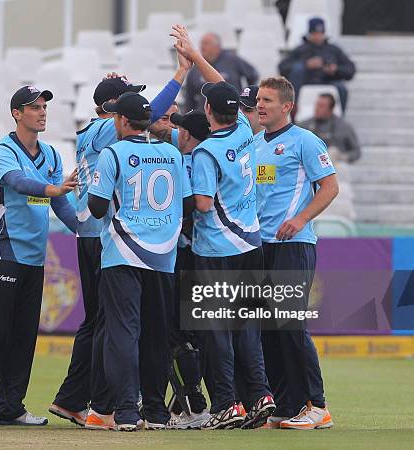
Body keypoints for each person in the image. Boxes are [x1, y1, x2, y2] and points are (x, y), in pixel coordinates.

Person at [50, 52, 192, 431]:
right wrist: (179, 74)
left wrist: (75, 223)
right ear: (114, 112)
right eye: (130, 98)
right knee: (112, 326)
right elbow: (148, 112)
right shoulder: (105, 133)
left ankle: (77, 400)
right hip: (109, 238)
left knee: (100, 323)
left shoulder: (92, 134)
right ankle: (101, 402)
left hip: (96, 234)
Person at [171, 23, 276, 431]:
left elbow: (201, 203)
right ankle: (262, 394)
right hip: (251, 243)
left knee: (216, 331)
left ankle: (228, 403)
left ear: (209, 113)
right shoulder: (248, 132)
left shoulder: (205, 153)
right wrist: (196, 57)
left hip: (216, 249)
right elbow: (225, 87)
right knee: (248, 327)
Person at [0, 85, 78, 427]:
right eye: (34, 107)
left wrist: (85, 232)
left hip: (34, 255)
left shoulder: (52, 154)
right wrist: (53, 189)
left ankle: (11, 405)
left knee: (25, 334)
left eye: (44, 107)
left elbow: (61, 205)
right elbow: (17, 182)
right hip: (3, 249)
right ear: (16, 113)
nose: (42, 112)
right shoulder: (3, 149)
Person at [87, 92, 193, 431]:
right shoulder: (171, 153)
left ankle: (127, 412)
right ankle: (157, 411)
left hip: (122, 252)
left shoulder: (112, 153)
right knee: (157, 335)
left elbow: (97, 208)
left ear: (120, 120)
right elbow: (188, 203)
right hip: (163, 254)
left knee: (123, 333)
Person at [255, 76, 338, 430]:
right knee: (267, 329)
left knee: (290, 325)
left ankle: (316, 405)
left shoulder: (305, 141)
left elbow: (331, 187)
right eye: (259, 99)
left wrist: (300, 218)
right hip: (261, 246)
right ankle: (286, 404)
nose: (260, 105)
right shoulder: (257, 143)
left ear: (287, 106)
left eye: (268, 100)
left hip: (294, 245)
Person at [164, 109, 211, 430]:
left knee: (177, 335)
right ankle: (185, 404)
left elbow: (186, 206)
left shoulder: (182, 163)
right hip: (209, 255)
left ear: (186, 134)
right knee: (201, 334)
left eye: (179, 127)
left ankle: (192, 403)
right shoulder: (213, 157)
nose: (175, 132)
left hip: (182, 255)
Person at [279, 17, 355, 112]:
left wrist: (335, 69)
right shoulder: (300, 49)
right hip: (305, 82)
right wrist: (306, 65)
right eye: (315, 33)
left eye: (320, 33)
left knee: (342, 89)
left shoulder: (333, 50)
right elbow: (282, 67)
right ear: (309, 34)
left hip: (328, 81)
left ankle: (338, 120)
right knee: (298, 69)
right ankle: (293, 111)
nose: (318, 36)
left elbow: (350, 69)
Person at [184, 32, 258, 111]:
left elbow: (252, 75)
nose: (202, 47)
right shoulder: (195, 69)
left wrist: (246, 99)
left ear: (217, 46)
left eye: (206, 44)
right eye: (201, 44)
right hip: (205, 116)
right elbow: (189, 97)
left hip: (232, 113)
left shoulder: (232, 60)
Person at [299, 93, 361, 163]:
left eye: (321, 106)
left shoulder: (344, 127)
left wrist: (343, 157)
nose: (316, 108)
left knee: (333, 152)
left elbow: (356, 151)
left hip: (336, 166)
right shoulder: (304, 126)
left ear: (330, 109)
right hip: (310, 162)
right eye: (316, 105)